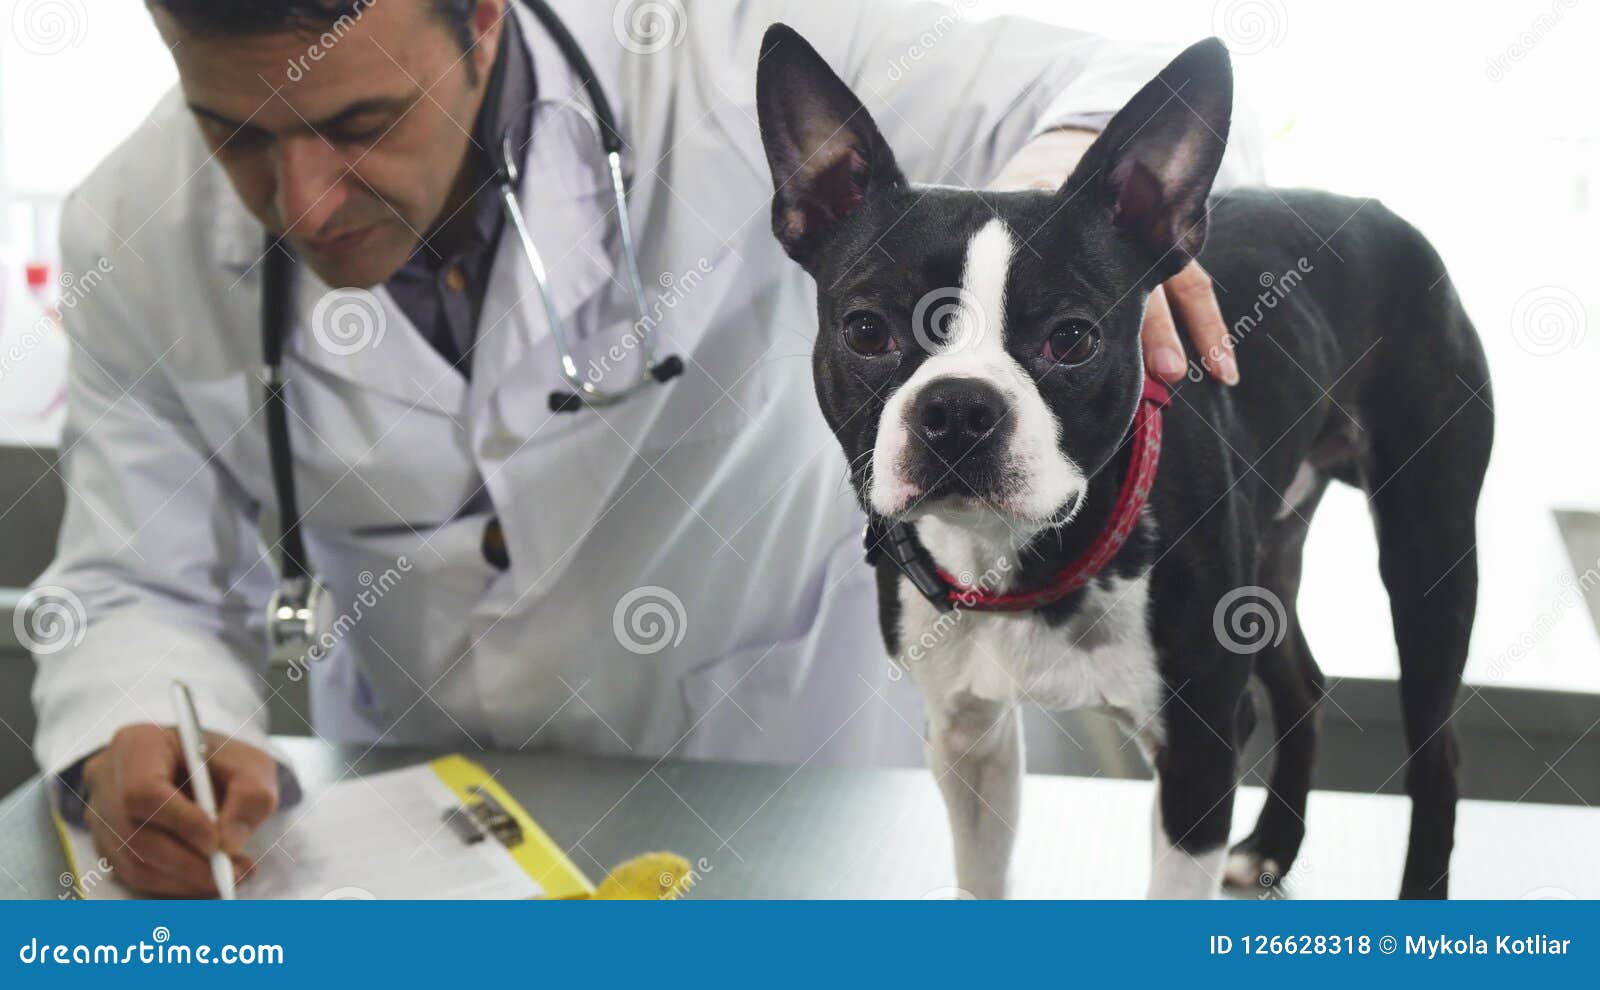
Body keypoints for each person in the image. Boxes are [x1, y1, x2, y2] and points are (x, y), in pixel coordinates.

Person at [29, 0, 1260, 896]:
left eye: (360, 121)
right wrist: (134, 729)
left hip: (791, 798)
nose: (300, 199)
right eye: (235, 136)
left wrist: (1073, 240)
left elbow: (1135, 79)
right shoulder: (132, 228)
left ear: (485, 22)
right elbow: (135, 581)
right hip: (428, 843)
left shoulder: (713, 57)